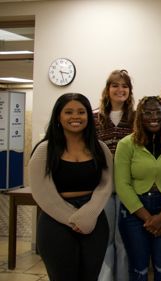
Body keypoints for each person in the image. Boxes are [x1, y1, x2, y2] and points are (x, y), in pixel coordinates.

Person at [29, 93, 113, 281]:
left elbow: (106, 184)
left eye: (81, 112)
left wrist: (88, 214)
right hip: (55, 222)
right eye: (68, 112)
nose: (75, 116)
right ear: (58, 116)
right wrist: (72, 219)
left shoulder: (100, 148)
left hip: (94, 221)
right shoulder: (45, 149)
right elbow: (42, 191)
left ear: (88, 117)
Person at [115, 96, 161, 281]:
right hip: (135, 211)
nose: (153, 117)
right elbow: (122, 184)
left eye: (158, 112)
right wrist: (149, 219)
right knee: (139, 269)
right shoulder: (126, 144)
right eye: (147, 113)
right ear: (140, 116)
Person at [94, 69, 135, 281]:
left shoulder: (137, 119)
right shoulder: (94, 119)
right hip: (103, 189)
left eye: (125, 86)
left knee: (124, 240)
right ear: (107, 90)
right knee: (105, 239)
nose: (120, 90)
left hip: (130, 189)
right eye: (115, 85)